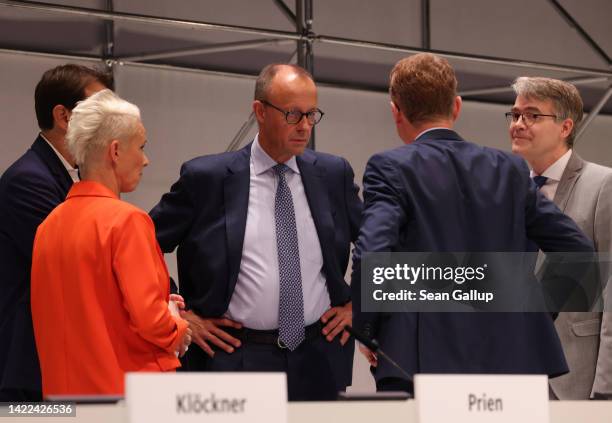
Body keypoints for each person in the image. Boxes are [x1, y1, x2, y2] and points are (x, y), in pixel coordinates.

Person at [350, 53, 595, 394]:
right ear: (456, 107)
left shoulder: (390, 168)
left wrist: (369, 328)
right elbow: (578, 250)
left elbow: (373, 253)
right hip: (513, 354)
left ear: (396, 110)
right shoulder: (508, 169)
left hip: (421, 355)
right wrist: (529, 311)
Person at [150, 64, 362, 401]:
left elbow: (378, 242)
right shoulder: (207, 178)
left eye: (311, 114)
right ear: (259, 111)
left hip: (317, 354)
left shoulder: (333, 174)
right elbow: (143, 245)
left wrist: (360, 304)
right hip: (233, 355)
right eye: (293, 115)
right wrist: (178, 311)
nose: (305, 127)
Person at [31, 89, 191, 397]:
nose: (146, 160)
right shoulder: (127, 221)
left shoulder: (48, 226)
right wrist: (177, 324)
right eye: (142, 147)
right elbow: (153, 323)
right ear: (115, 151)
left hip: (65, 396)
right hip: (130, 395)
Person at [0, 64, 110, 401]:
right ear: (63, 116)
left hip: (63, 362)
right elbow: (88, 261)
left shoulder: (75, 175)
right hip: (31, 370)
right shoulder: (29, 180)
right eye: (99, 112)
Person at [510, 76, 612, 400]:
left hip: (578, 376)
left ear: (565, 127)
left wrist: (606, 388)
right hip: (515, 373)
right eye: (515, 115)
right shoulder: (506, 190)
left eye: (532, 115)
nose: (518, 124)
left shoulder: (603, 185)